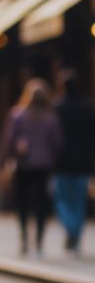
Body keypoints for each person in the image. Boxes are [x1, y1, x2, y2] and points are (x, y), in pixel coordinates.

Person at [0, 77, 63, 257]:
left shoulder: (17, 114)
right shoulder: (50, 117)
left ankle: (24, 238)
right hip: (43, 165)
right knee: (41, 202)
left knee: (22, 202)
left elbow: (8, 140)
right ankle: (39, 240)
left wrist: (9, 158)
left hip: (24, 164)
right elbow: (58, 142)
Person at [52, 69, 94, 254]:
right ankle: (75, 230)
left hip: (61, 163)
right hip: (83, 163)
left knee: (62, 199)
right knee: (78, 200)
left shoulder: (57, 109)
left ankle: (71, 228)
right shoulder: (86, 108)